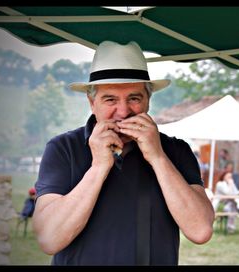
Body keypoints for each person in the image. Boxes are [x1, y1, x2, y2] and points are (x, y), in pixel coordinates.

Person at [32, 41, 214, 265]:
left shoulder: (175, 150)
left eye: (134, 98)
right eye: (110, 99)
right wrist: (98, 166)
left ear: (148, 100)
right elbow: (49, 240)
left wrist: (158, 157)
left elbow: (201, 231)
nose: (123, 111)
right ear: (92, 102)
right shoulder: (63, 148)